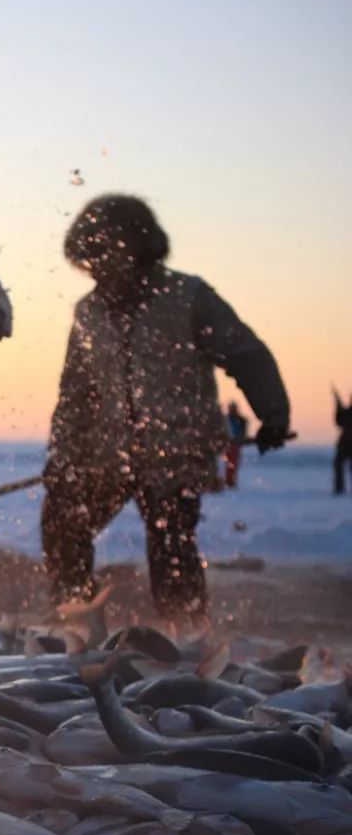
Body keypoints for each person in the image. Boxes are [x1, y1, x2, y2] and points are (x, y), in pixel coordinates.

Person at [42, 195, 291, 625]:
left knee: (171, 546)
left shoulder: (187, 297)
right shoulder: (89, 312)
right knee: (64, 519)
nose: (97, 269)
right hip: (109, 456)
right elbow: (74, 399)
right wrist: (61, 459)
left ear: (135, 248)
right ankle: (76, 621)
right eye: (89, 261)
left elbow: (245, 352)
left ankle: (187, 635)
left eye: (103, 256)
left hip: (176, 457)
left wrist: (274, 415)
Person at [223, 399, 249, 489]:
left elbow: (243, 432)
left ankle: (231, 481)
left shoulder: (239, 420)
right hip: (229, 443)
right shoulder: (227, 419)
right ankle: (229, 481)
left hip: (235, 443)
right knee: (230, 463)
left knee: (233, 463)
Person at [335, 389, 352, 495]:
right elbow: (339, 421)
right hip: (345, 443)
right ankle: (339, 489)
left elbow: (340, 421)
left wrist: (338, 406)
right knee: (338, 464)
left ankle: (339, 489)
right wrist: (338, 404)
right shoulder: (346, 412)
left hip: (346, 443)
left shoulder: (347, 413)